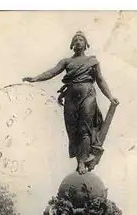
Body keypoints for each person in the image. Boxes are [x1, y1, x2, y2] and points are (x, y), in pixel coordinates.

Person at [22, 31, 119, 174]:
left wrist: (110, 97)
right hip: (71, 96)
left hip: (88, 94)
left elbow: (100, 80)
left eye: (81, 39)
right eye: (76, 40)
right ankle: (80, 159)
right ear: (73, 45)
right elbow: (52, 72)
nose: (78, 42)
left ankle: (82, 162)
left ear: (86, 44)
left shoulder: (92, 61)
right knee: (73, 130)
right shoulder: (66, 61)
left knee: (84, 128)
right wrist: (35, 78)